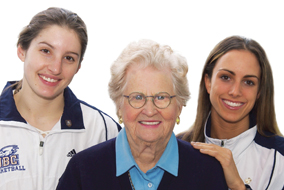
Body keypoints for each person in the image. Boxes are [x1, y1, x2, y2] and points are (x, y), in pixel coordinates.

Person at [56, 39, 228, 190]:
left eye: (161, 97)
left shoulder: (208, 171)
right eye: (137, 97)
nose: (150, 110)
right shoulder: (83, 170)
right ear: (119, 106)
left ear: (179, 106)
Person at [0, 7, 121, 190]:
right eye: (46, 51)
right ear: (22, 50)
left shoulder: (103, 130)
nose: (56, 68)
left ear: (79, 67)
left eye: (69, 58)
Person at [179, 36, 284, 190]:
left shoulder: (280, 157)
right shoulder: (176, 149)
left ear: (259, 91)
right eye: (226, 77)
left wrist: (238, 186)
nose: (235, 92)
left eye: (248, 82)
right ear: (208, 82)